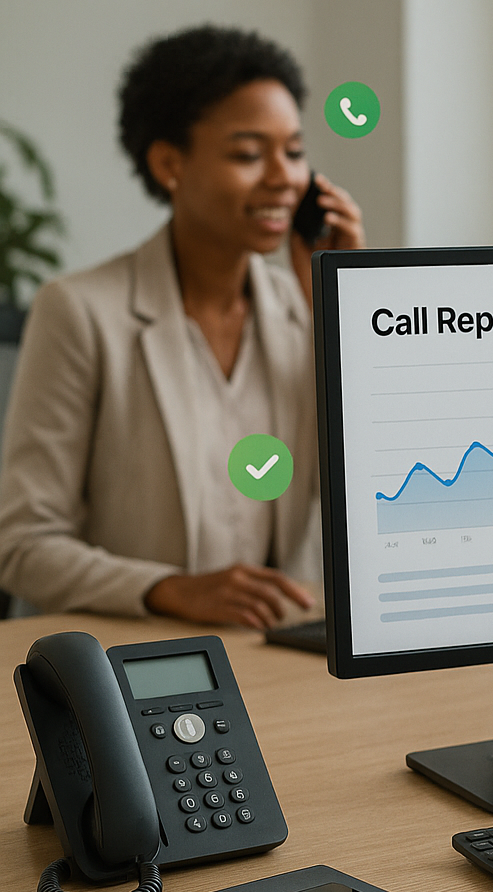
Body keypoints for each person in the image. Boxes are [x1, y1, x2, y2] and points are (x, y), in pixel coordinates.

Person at [0, 25, 364, 627]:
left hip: (282, 654)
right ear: (170, 163)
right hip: (136, 660)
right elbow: (23, 544)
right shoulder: (79, 311)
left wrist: (344, 301)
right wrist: (170, 588)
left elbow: (374, 498)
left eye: (295, 152)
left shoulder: (308, 310)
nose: (284, 177)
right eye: (249, 154)